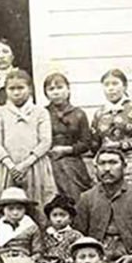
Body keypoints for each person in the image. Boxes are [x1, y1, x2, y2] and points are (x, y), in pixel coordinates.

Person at [73, 148, 132, 263]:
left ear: (124, 166)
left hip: (130, 256)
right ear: (96, 168)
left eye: (113, 163)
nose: (107, 168)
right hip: (96, 257)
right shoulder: (87, 198)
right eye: (102, 164)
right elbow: (79, 234)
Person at [0, 68, 57, 218]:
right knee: (8, 208)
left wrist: (26, 164)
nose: (16, 92)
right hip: (9, 167)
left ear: (30, 89)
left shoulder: (40, 112)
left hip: (34, 166)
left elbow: (46, 141)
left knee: (38, 206)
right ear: (6, 90)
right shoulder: (0, 112)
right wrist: (11, 166)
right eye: (11, 88)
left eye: (20, 88)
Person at [91, 69, 132, 188]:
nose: (111, 88)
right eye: (107, 85)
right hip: (106, 163)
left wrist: (119, 145)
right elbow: (94, 142)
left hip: (131, 162)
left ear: (124, 86)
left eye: (115, 83)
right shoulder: (99, 113)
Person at [44, 72, 93, 202]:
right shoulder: (42, 114)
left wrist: (67, 150)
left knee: (77, 199)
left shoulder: (79, 114)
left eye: (59, 87)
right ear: (46, 93)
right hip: (49, 164)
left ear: (68, 89)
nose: (56, 92)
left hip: (73, 164)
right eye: (51, 89)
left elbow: (86, 142)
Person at [0, 187, 40, 261]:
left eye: (19, 208)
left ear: (25, 209)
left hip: (24, 261)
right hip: (1, 261)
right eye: (10, 208)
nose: (15, 212)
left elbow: (38, 251)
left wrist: (31, 260)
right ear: (3, 209)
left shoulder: (32, 227)